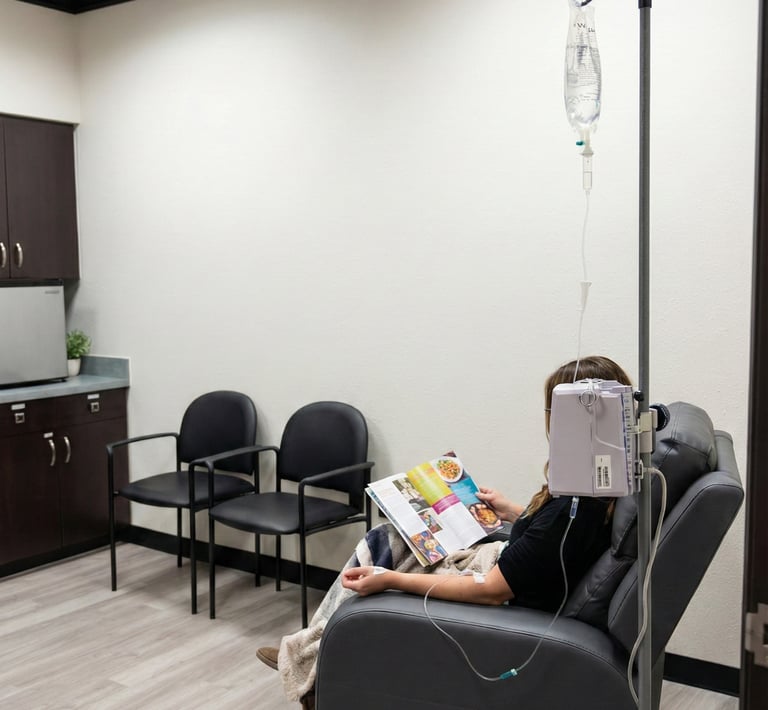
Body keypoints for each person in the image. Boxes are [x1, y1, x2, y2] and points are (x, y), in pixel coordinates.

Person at [256, 355, 633, 709]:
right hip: (506, 564)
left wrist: (391, 580)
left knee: (381, 549)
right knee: (392, 536)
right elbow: (551, 542)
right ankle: (312, 650)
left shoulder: (574, 509)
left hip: (498, 587)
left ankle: (311, 663)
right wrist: (511, 510)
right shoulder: (597, 489)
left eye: (552, 411)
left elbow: (491, 591)